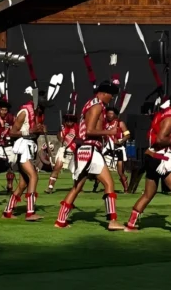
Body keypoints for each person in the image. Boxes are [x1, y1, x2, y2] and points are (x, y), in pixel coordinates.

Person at [54, 79, 124, 230]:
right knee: (109, 184)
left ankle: (60, 220)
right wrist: (109, 132)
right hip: (91, 149)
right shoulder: (97, 106)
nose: (112, 98)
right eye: (111, 95)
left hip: (85, 150)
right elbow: (90, 131)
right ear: (103, 93)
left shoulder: (92, 104)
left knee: (77, 187)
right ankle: (112, 221)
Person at [125, 90, 171, 238]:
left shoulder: (162, 114)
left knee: (148, 194)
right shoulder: (170, 117)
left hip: (152, 157)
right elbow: (160, 139)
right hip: (161, 159)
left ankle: (130, 225)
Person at [2, 88, 47, 221]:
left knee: (23, 183)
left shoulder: (39, 114)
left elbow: (34, 132)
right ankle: (30, 212)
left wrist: (41, 130)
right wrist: (30, 131)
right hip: (22, 146)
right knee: (34, 176)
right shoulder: (24, 112)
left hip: (30, 146)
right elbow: (12, 132)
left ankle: (7, 212)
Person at [46, 113, 78, 194]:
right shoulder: (63, 128)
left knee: (76, 171)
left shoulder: (77, 128)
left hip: (74, 151)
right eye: (68, 121)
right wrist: (61, 136)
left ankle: (77, 188)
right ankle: (50, 187)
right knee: (57, 168)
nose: (69, 122)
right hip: (63, 150)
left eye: (71, 121)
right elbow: (59, 137)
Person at [104, 106, 130, 193]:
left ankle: (126, 188)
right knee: (102, 169)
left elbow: (127, 135)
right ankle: (98, 187)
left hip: (118, 149)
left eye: (111, 113)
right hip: (107, 149)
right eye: (108, 113)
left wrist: (121, 141)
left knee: (120, 172)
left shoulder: (120, 123)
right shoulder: (105, 124)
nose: (109, 115)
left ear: (115, 115)